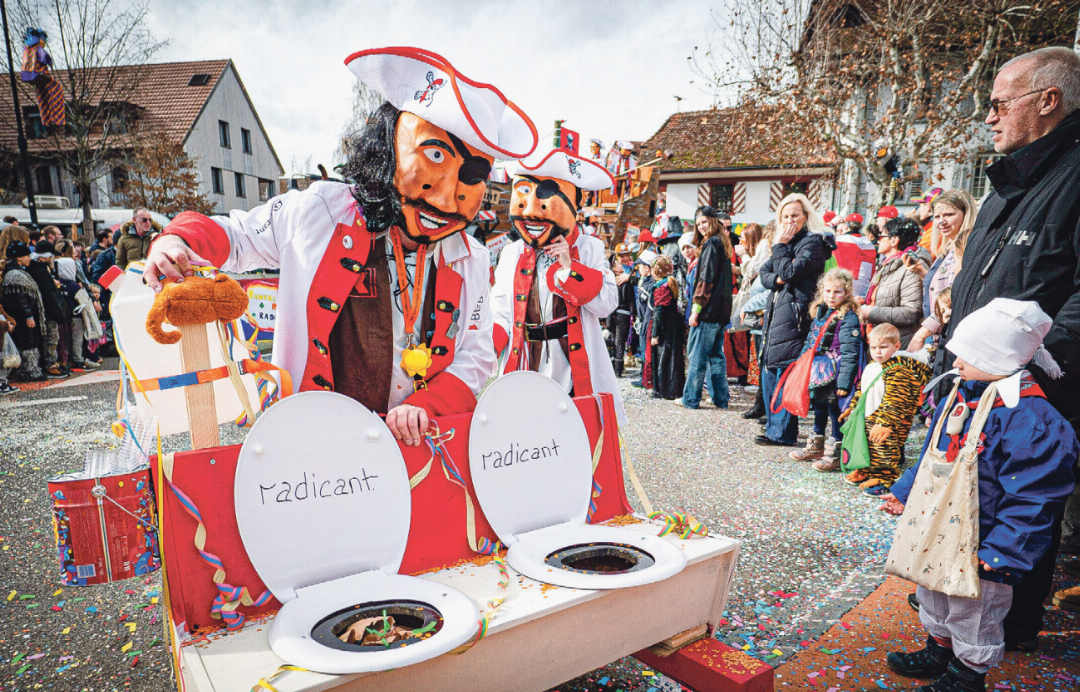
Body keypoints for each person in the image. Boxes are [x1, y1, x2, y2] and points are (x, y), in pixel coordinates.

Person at [142, 47, 537, 445]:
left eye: (473, 175)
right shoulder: (319, 212)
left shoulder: (471, 257)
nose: (448, 196)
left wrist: (428, 406)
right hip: (317, 445)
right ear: (389, 147)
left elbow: (476, 354)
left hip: (415, 446)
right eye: (434, 155)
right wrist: (176, 240)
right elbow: (237, 235)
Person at [939, 47, 1080, 646]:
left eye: (999, 103)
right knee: (962, 504)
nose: (989, 117)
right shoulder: (1005, 183)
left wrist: (1033, 367)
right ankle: (948, 624)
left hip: (1029, 394)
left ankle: (1001, 637)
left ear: (1048, 101)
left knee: (1014, 510)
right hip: (974, 382)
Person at [881, 300, 1077, 692]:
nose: (955, 363)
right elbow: (933, 454)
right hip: (940, 529)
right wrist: (906, 492)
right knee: (933, 591)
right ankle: (939, 650)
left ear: (998, 358)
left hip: (984, 540)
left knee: (975, 611)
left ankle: (967, 673)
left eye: (967, 356)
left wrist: (1005, 549)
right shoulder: (962, 394)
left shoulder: (1030, 420)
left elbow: (1035, 497)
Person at [491, 147, 625, 421]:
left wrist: (569, 267)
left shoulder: (589, 248)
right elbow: (500, 311)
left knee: (573, 428)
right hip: (526, 360)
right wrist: (486, 350)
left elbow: (607, 305)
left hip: (570, 362)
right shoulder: (511, 252)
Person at [756, 194, 832, 446]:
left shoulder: (812, 243)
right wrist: (779, 278)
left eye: (795, 215)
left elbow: (790, 271)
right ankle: (774, 428)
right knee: (771, 371)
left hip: (796, 317)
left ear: (805, 216)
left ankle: (783, 433)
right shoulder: (787, 244)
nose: (789, 220)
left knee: (785, 372)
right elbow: (764, 274)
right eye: (785, 216)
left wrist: (779, 248)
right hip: (778, 315)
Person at [840, 323, 931, 495]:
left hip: (887, 420)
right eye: (873, 347)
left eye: (883, 347)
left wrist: (885, 423)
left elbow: (896, 400)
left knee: (884, 448)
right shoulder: (871, 366)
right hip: (868, 415)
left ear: (896, 346)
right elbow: (862, 389)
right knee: (865, 444)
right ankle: (865, 470)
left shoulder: (899, 371)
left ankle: (884, 479)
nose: (878, 352)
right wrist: (852, 407)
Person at [789, 268, 861, 467]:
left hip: (836, 372)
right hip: (819, 370)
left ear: (846, 293)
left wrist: (845, 383)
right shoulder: (821, 312)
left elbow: (850, 352)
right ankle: (816, 445)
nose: (831, 296)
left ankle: (835, 451)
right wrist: (801, 365)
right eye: (828, 291)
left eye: (837, 292)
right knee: (819, 407)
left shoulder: (848, 317)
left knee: (835, 410)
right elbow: (811, 341)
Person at [676, 206, 733, 410]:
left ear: (713, 221)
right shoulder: (723, 242)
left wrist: (696, 310)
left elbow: (705, 279)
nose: (701, 226)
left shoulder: (711, 243)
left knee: (697, 356)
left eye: (704, 222)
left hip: (708, 311)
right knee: (716, 356)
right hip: (722, 311)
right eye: (698, 223)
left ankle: (690, 399)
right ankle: (720, 398)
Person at [859, 217, 927, 348]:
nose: (878, 240)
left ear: (894, 240)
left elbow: (911, 312)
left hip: (896, 345)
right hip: (881, 341)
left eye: (881, 236)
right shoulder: (889, 263)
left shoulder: (910, 267)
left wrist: (871, 313)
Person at [1, 241, 45, 382]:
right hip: (21, 316)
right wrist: (28, 315)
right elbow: (19, 297)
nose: (29, 258)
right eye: (27, 256)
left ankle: (30, 369)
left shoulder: (17, 271)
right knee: (27, 341)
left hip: (24, 314)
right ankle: (28, 370)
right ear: (19, 257)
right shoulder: (14, 274)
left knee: (30, 340)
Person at [26, 242, 70, 379]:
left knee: (49, 337)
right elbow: (48, 295)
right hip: (48, 311)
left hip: (43, 310)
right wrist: (59, 313)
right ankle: (50, 365)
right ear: (46, 256)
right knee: (51, 337)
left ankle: (50, 364)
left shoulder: (37, 269)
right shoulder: (41, 272)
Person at [648, 255, 685, 400]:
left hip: (665, 327)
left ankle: (665, 390)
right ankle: (675, 389)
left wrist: (655, 334)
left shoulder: (661, 287)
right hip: (674, 324)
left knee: (663, 358)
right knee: (674, 357)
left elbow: (659, 311)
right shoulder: (670, 283)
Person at [609, 257, 634, 377]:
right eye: (618, 264)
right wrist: (634, 314)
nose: (621, 265)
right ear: (615, 268)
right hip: (622, 313)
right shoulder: (623, 282)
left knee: (615, 340)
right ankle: (618, 370)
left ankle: (615, 368)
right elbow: (631, 301)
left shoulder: (611, 281)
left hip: (613, 313)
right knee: (619, 341)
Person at [909, 186, 943, 252]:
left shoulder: (933, 231)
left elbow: (921, 254)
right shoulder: (931, 228)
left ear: (928, 206)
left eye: (920, 206)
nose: (919, 209)